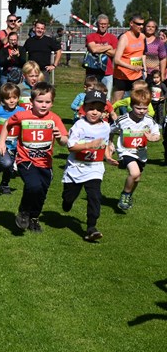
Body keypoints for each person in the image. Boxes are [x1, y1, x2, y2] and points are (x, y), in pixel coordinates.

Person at [0, 82, 68, 232]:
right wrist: (2, 142)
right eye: (40, 101)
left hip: (45, 163)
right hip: (25, 160)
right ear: (31, 102)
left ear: (52, 103)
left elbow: (64, 142)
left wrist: (60, 137)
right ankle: (23, 211)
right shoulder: (23, 115)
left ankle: (34, 218)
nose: (43, 105)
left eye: (47, 102)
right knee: (33, 185)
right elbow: (8, 124)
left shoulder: (54, 119)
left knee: (41, 192)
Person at [62, 89, 117, 241]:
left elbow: (104, 144)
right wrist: (89, 144)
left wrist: (107, 157)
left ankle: (91, 227)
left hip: (94, 168)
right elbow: (71, 147)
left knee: (95, 196)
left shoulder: (105, 127)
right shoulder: (79, 125)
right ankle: (67, 202)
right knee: (68, 198)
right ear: (84, 108)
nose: (94, 112)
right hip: (76, 167)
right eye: (91, 108)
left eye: (99, 109)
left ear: (104, 111)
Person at [111, 87, 161, 211]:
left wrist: (152, 138)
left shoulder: (149, 121)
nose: (141, 111)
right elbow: (110, 130)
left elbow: (157, 135)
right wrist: (110, 143)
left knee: (137, 178)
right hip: (126, 151)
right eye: (138, 108)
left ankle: (129, 195)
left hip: (141, 153)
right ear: (131, 106)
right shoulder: (123, 120)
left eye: (144, 108)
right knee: (134, 173)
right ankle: (125, 195)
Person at [112, 15, 147, 103]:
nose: (141, 26)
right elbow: (116, 60)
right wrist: (132, 67)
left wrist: (145, 69)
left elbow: (142, 54)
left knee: (140, 101)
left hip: (137, 75)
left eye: (143, 24)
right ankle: (108, 116)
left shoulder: (142, 36)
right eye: (138, 24)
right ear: (131, 23)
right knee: (116, 103)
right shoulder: (124, 38)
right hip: (122, 76)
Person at [85, 14, 118, 93]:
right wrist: (109, 46)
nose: (103, 26)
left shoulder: (112, 38)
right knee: (90, 96)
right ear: (97, 24)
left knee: (107, 98)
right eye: (101, 24)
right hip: (92, 72)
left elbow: (114, 53)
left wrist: (99, 47)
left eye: (105, 24)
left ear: (108, 25)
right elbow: (93, 49)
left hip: (107, 73)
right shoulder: (90, 36)